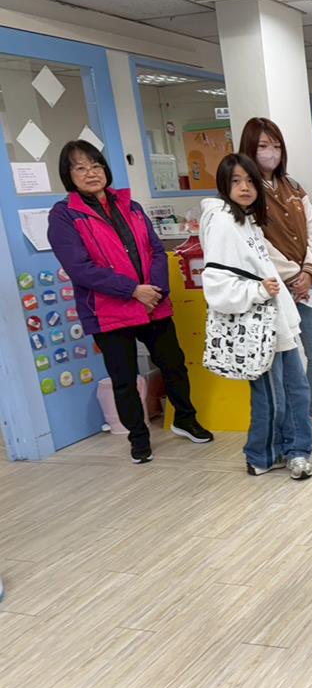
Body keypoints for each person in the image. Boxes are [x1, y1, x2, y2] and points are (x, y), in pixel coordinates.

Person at [48, 140, 212, 464]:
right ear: (68, 176)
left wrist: (154, 291)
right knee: (124, 379)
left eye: (96, 165)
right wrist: (133, 290)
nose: (91, 173)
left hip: (153, 303)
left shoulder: (131, 206)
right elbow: (80, 268)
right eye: (80, 168)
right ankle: (138, 438)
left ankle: (185, 419)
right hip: (109, 310)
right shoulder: (64, 215)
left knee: (174, 365)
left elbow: (155, 251)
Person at [200, 153, 312, 479]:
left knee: (295, 389)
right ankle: (264, 454)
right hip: (256, 325)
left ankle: (296, 451)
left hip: (275, 322)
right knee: (273, 395)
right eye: (236, 181)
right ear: (224, 184)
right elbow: (217, 285)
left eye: (250, 180)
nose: (245, 187)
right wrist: (258, 291)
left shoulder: (245, 219)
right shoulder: (223, 222)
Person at [239, 118, 312, 433]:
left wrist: (310, 272)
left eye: (276, 146)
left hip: (307, 284)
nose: (271, 152)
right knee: (285, 360)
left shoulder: (292, 186)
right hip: (275, 288)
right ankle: (294, 422)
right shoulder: (247, 191)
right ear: (250, 149)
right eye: (263, 146)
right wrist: (293, 276)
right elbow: (255, 243)